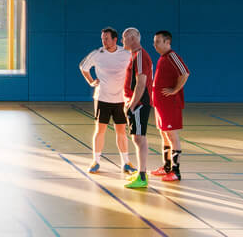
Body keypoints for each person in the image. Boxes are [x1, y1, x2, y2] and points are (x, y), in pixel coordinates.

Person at [77, 27, 133, 174]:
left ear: (115, 40)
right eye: (102, 38)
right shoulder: (97, 54)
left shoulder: (126, 54)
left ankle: (126, 162)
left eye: (106, 38)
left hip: (121, 99)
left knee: (121, 131)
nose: (104, 41)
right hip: (102, 98)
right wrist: (91, 81)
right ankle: (96, 161)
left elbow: (136, 70)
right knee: (100, 130)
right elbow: (83, 67)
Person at [151, 30, 190, 181]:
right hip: (161, 104)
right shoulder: (163, 58)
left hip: (170, 104)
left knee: (172, 135)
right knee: (164, 134)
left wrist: (175, 90)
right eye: (154, 42)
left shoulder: (172, 56)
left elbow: (185, 73)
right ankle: (166, 167)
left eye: (158, 42)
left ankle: (176, 171)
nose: (155, 45)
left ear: (167, 42)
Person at [120, 27, 152, 189]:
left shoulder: (139, 56)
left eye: (124, 38)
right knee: (137, 137)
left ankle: (142, 175)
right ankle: (141, 171)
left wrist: (132, 105)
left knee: (139, 138)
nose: (122, 41)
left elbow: (141, 83)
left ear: (132, 38)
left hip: (139, 104)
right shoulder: (135, 56)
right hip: (135, 103)